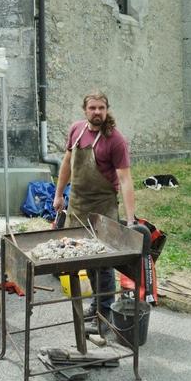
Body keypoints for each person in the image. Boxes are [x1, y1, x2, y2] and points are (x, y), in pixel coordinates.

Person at [53, 91, 136, 331]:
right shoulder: (76, 130)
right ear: (85, 110)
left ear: (107, 109)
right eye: (92, 108)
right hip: (78, 206)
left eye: (101, 108)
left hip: (103, 209)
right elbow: (67, 163)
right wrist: (59, 195)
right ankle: (97, 304)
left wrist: (130, 219)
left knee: (102, 262)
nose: (97, 112)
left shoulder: (115, 140)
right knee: (85, 258)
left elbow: (126, 180)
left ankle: (106, 311)